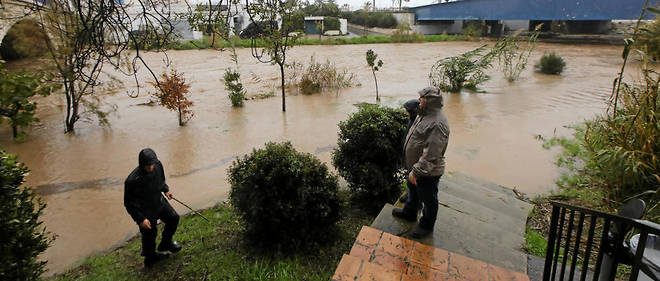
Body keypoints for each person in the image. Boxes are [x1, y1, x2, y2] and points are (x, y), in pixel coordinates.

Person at [392, 86, 450, 239]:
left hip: (427, 171)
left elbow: (432, 154)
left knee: (429, 199)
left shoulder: (438, 123)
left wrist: (417, 172)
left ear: (429, 101)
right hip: (415, 167)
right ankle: (409, 213)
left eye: (422, 98)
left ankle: (426, 226)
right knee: (413, 191)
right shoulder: (423, 114)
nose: (419, 100)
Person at [124, 148, 182, 267]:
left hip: (159, 202)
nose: (150, 167)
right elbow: (129, 203)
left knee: (174, 218)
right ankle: (150, 258)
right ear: (141, 165)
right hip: (145, 212)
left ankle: (166, 243)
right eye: (147, 165)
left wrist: (166, 190)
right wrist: (140, 219)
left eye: (152, 164)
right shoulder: (132, 180)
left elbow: (161, 181)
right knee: (150, 234)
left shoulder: (158, 165)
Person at [398, 99, 420, 204]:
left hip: (416, 158)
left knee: (415, 179)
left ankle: (415, 202)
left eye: (407, 110)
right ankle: (410, 194)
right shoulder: (412, 120)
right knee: (410, 177)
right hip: (409, 155)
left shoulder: (418, 122)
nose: (405, 112)